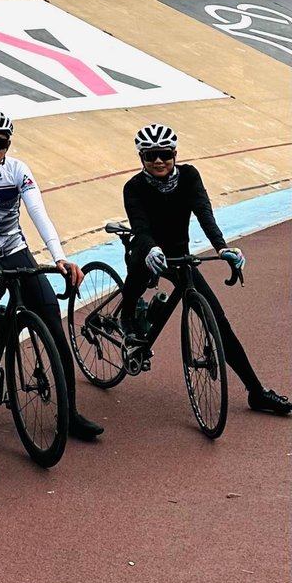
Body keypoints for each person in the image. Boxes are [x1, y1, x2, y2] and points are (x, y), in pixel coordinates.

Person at [0, 109, 103, 442]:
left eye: (0, 143)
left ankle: (70, 414)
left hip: (15, 250)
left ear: (8, 144)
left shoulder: (17, 171)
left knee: (52, 325)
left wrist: (60, 258)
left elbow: (38, 211)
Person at [119, 123, 290, 415]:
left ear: (174, 154)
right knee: (138, 268)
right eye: (150, 155)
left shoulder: (189, 176)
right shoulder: (133, 187)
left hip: (179, 255)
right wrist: (150, 249)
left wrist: (222, 247)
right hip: (148, 251)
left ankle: (256, 392)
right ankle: (127, 319)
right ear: (142, 158)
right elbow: (141, 227)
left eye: (164, 154)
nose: (158, 160)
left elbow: (204, 212)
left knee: (219, 323)